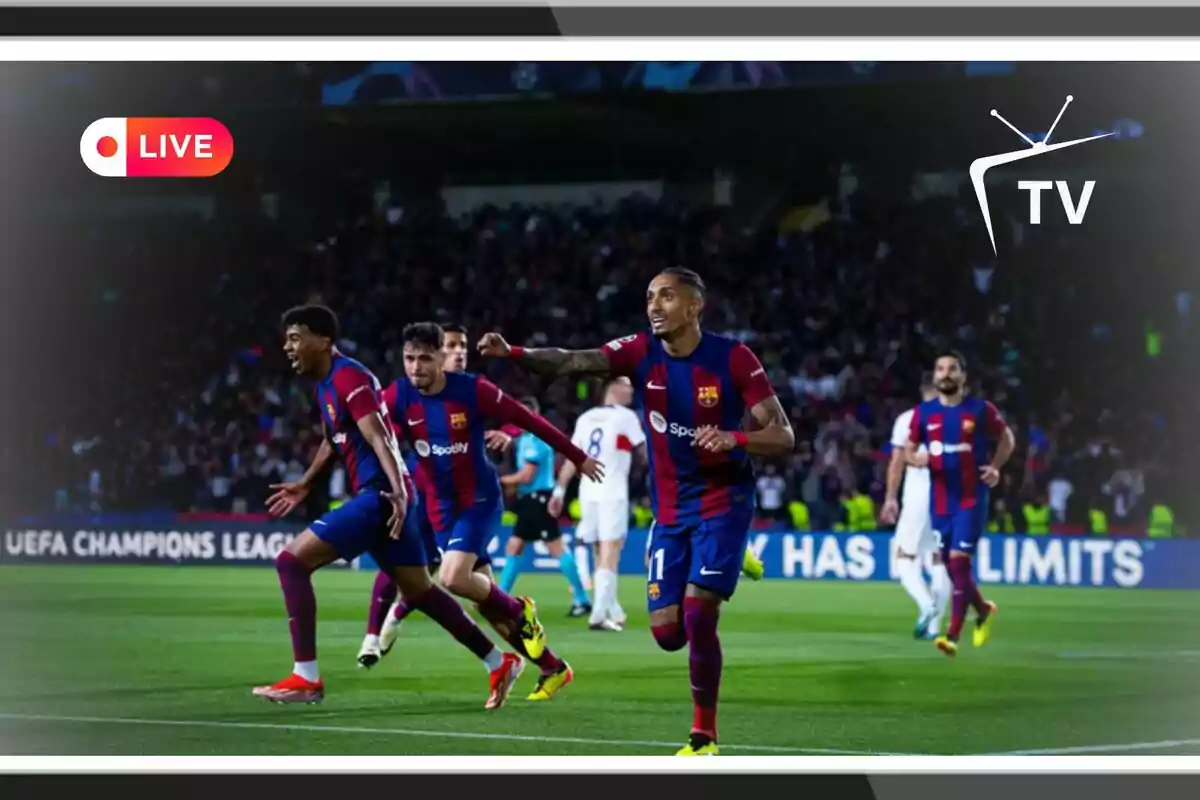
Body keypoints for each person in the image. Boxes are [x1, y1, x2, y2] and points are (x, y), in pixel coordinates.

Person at [478, 266, 795, 756]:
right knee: (668, 634)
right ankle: (735, 558)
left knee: (698, 614)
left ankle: (703, 735)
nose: (654, 305)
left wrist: (736, 437)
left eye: (667, 296)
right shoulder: (639, 352)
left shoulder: (733, 358)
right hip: (670, 510)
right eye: (649, 296)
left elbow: (784, 436)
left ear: (694, 307)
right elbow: (571, 362)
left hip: (723, 500)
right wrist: (513, 353)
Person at [256, 305, 521, 707]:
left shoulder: (350, 377)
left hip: (379, 496)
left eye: (295, 338)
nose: (287, 346)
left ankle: (306, 677)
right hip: (387, 496)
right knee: (422, 591)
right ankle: (497, 661)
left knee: (291, 562)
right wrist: (305, 485)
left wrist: (398, 491)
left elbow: (380, 437)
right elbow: (334, 440)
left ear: (323, 340)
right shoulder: (326, 384)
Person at [384, 321, 605, 702]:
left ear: (440, 358)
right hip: (440, 510)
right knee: (487, 607)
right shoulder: (398, 395)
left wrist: (577, 455)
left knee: (452, 578)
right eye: (409, 358)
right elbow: (367, 429)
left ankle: (522, 609)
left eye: (424, 358)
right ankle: (552, 667)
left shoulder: (473, 391)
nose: (416, 366)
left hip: (478, 500)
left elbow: (529, 419)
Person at [357, 322, 512, 668]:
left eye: (463, 347)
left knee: (473, 588)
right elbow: (386, 427)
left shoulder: (472, 391)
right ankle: (374, 634)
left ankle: (524, 654)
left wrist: (507, 432)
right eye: (453, 345)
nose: (458, 352)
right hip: (422, 494)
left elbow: (517, 416)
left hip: (466, 500)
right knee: (403, 561)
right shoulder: (412, 393)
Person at [905, 350, 1016, 658]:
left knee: (957, 564)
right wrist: (916, 459)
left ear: (963, 376)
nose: (946, 374)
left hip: (971, 497)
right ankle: (982, 610)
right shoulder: (923, 413)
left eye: (952, 369)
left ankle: (952, 635)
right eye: (940, 369)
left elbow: (1007, 438)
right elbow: (908, 451)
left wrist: (995, 466)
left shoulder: (980, 410)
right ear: (935, 376)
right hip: (940, 502)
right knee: (956, 570)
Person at [547, 377, 646, 630]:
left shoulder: (586, 417)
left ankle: (613, 607)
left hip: (587, 490)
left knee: (598, 550)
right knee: (611, 548)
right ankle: (599, 615)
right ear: (613, 387)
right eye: (627, 385)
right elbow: (644, 453)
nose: (631, 389)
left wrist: (559, 490)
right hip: (612, 488)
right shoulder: (626, 417)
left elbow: (573, 457)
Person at [498, 396, 593, 617]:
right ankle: (500, 598)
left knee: (555, 548)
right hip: (530, 500)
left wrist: (501, 481)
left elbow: (528, 475)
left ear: (534, 414)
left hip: (538, 500)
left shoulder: (537, 440)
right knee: (515, 546)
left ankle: (581, 598)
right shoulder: (524, 438)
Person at [880, 374, 951, 640]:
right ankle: (935, 628)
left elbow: (896, 462)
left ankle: (926, 605)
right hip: (948, 498)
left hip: (920, 496)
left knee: (903, 558)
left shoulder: (909, 419)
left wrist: (890, 497)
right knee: (939, 559)